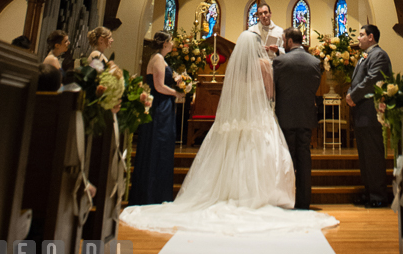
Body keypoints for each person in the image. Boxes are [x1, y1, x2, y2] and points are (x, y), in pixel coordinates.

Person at [120, 30, 338, 234]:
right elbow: (270, 93)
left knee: (232, 151)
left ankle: (229, 193)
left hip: (238, 115)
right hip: (260, 115)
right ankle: (264, 196)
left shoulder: (235, 66)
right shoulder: (264, 64)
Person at [128, 31, 185, 205]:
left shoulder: (161, 58)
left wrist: (181, 81)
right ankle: (152, 194)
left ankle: (158, 193)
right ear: (165, 43)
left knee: (163, 147)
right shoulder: (158, 59)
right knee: (158, 145)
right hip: (159, 107)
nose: (173, 43)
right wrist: (177, 93)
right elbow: (159, 86)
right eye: (171, 41)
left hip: (163, 106)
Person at [273, 27, 322, 209]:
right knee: (304, 158)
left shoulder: (280, 61)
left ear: (290, 41)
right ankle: (303, 201)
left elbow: (275, 88)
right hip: (306, 116)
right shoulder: (315, 62)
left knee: (287, 158)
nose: (283, 43)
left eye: (284, 40)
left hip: (285, 116)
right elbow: (315, 86)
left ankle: (287, 198)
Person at [346, 24, 392, 208]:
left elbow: (372, 79)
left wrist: (352, 95)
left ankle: (379, 195)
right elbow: (358, 79)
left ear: (371, 37)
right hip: (362, 111)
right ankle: (369, 192)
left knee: (373, 155)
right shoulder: (367, 55)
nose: (358, 38)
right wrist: (351, 93)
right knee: (365, 156)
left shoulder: (378, 55)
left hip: (371, 111)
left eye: (361, 35)